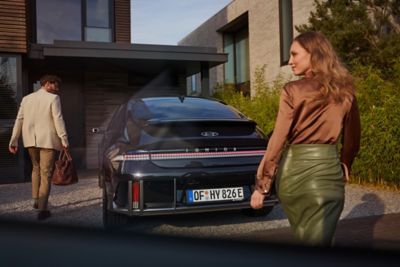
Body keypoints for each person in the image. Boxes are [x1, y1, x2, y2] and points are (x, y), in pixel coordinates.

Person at [250, 31, 361, 246]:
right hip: (326, 175)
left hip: (291, 179)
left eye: (294, 54)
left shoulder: (292, 90)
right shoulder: (346, 92)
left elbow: (278, 141)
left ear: (314, 54)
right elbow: (353, 138)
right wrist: (346, 164)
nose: (290, 61)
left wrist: (262, 185)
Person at [9, 74, 69, 220]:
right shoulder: (53, 98)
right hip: (47, 141)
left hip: (30, 141)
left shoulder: (26, 99)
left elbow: (19, 119)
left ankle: (36, 200)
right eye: (56, 85)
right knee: (46, 173)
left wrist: (14, 140)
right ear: (47, 84)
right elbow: (58, 119)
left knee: (36, 168)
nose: (57, 89)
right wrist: (64, 139)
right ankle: (43, 210)